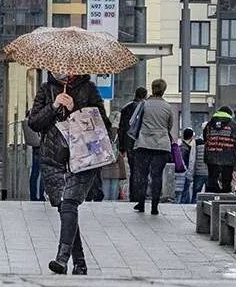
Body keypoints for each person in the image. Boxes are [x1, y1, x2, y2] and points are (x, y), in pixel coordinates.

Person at [29, 72, 111, 275]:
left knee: (69, 204)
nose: (64, 71)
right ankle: (80, 263)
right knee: (66, 211)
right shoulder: (46, 89)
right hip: (53, 159)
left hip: (83, 158)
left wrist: (76, 109)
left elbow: (103, 124)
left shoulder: (89, 89)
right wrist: (54, 106)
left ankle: (62, 259)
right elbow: (34, 122)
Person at [131, 79, 174, 215]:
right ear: (164, 90)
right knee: (157, 176)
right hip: (161, 145)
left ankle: (141, 203)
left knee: (142, 174)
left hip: (144, 143)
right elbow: (169, 126)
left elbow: (133, 121)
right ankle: (155, 206)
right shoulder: (167, 107)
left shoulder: (144, 104)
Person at [203, 106, 236, 193]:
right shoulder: (233, 125)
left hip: (211, 156)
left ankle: (210, 200)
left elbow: (205, 138)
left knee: (212, 180)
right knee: (226, 182)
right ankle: (225, 200)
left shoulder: (209, 124)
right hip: (228, 156)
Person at [119, 87, 148, 205]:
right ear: (145, 95)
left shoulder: (126, 108)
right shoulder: (145, 108)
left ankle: (133, 195)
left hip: (129, 143)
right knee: (141, 170)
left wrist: (122, 147)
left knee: (133, 170)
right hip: (142, 143)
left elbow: (121, 129)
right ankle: (140, 195)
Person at [100, 126, 126, 200]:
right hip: (115, 170)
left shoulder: (102, 138)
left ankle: (106, 207)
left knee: (106, 194)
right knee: (113, 194)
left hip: (104, 170)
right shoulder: (116, 140)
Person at [178, 128, 197, 203]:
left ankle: (186, 203)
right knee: (185, 190)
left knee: (186, 189)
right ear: (191, 137)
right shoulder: (184, 148)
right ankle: (183, 204)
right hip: (185, 172)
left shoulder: (184, 146)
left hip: (185, 172)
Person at [191, 133, 208, 202]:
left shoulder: (197, 142)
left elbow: (192, 158)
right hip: (210, 172)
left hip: (199, 172)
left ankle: (192, 206)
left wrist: (191, 172)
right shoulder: (213, 142)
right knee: (209, 195)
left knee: (195, 193)